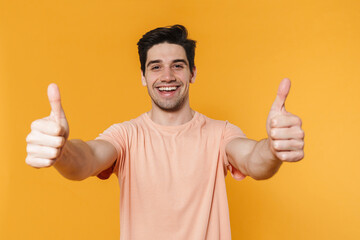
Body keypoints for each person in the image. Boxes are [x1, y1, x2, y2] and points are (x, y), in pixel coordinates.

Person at [25, 25, 304, 239]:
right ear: (143, 76)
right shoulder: (126, 135)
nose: (167, 76)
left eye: (177, 66)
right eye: (155, 66)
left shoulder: (220, 133)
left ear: (192, 73)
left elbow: (254, 160)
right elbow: (86, 159)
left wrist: (272, 148)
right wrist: (61, 152)